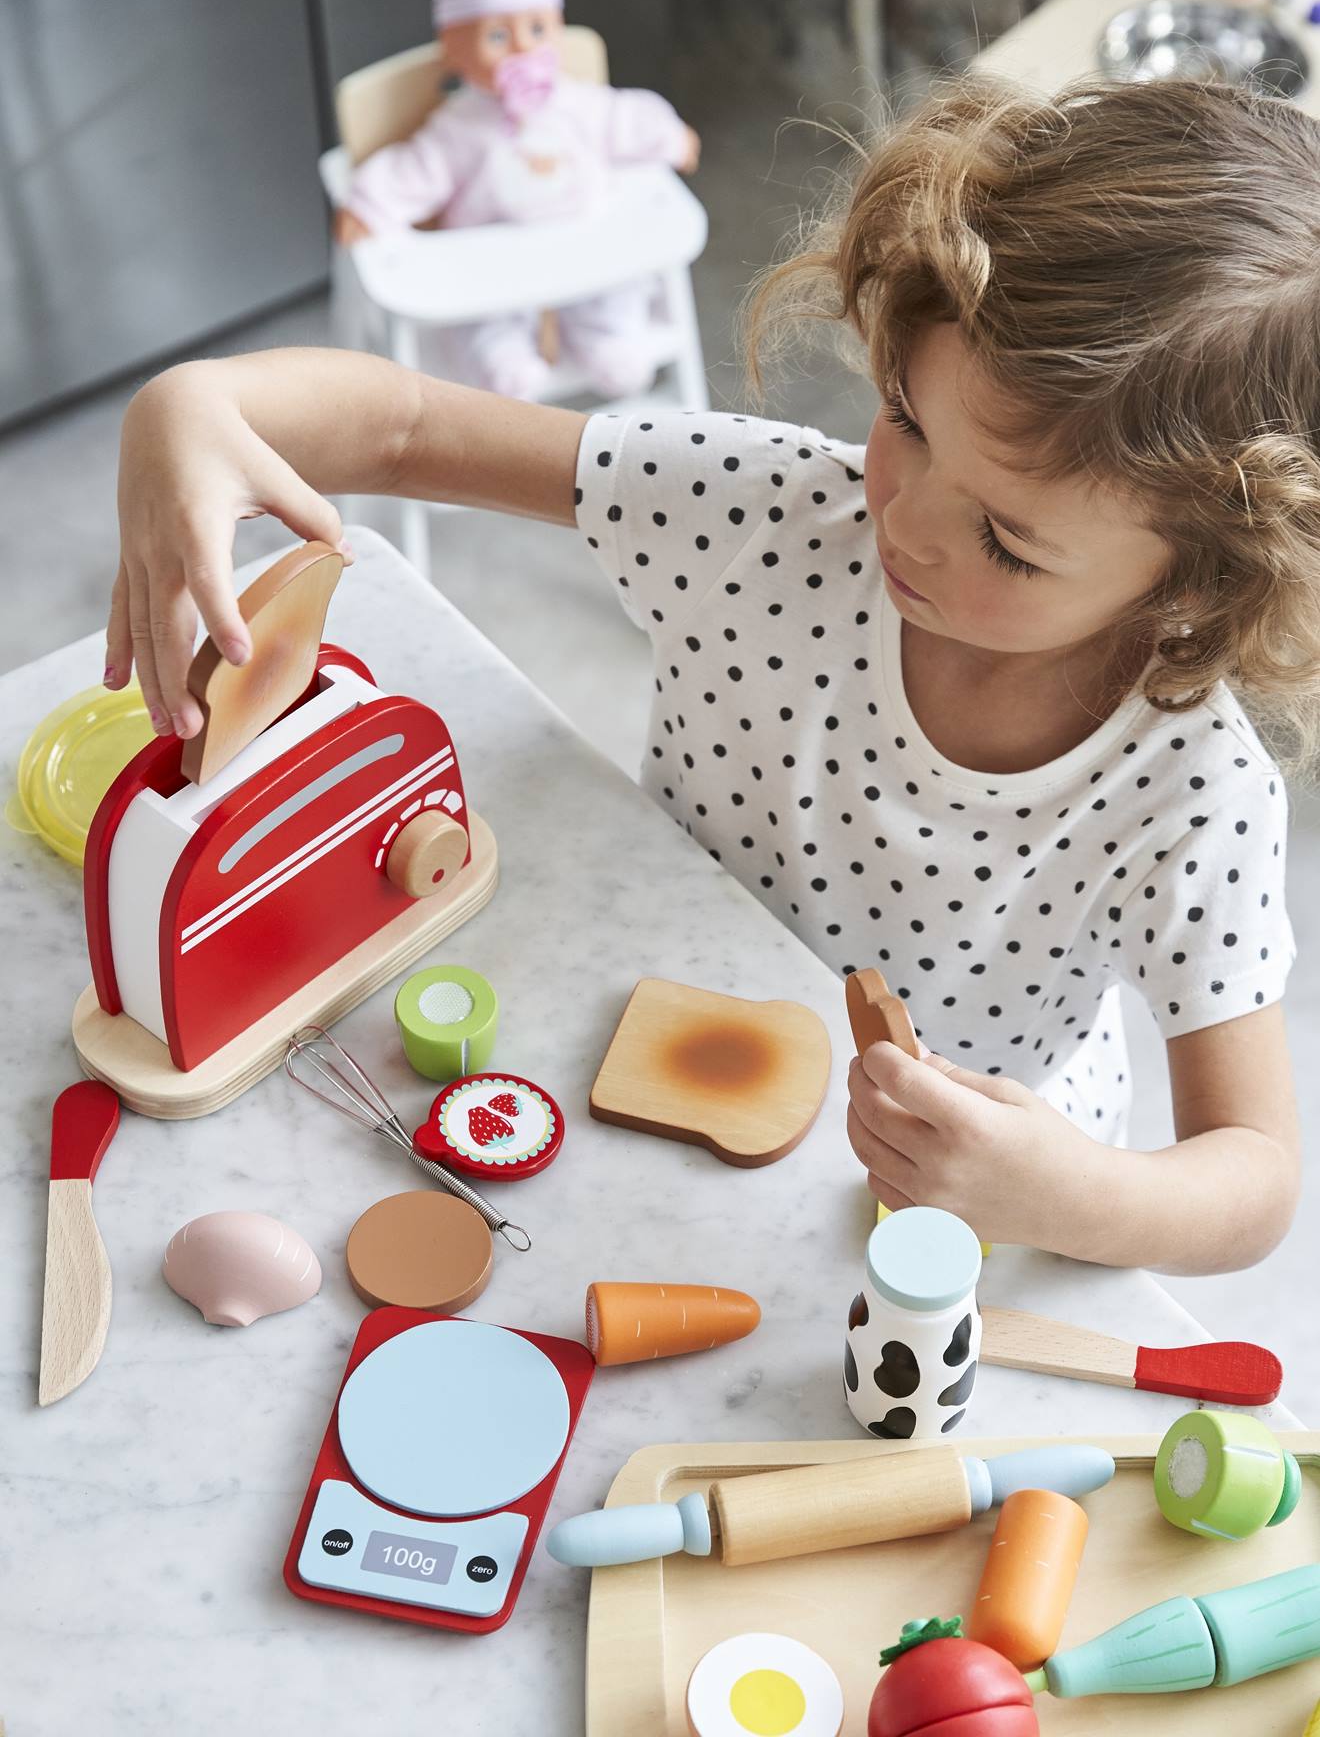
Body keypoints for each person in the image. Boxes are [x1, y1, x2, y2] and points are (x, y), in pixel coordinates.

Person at [107, 76, 1318, 1274]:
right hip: (647, 1047)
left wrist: (1074, 1195)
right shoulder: (759, 518)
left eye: (1007, 537)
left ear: (1203, 576)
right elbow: (407, 425)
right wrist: (191, 403)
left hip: (958, 1208)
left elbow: (1253, 1171)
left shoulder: (1193, 795)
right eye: (906, 415)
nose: (905, 520)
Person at [335, 0, 701, 400]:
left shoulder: (578, 103)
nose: (523, 47)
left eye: (538, 29)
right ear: (452, 48)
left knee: (614, 294)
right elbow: (417, 167)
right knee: (487, 321)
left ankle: (607, 337)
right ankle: (500, 357)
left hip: (585, 248)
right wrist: (369, 203)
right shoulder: (460, 127)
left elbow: (624, 118)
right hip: (492, 266)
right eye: (496, 35)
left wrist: (668, 136)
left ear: (559, 28)